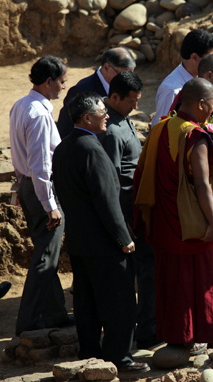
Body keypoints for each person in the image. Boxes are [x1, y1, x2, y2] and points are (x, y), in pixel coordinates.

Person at [52, 92, 148, 373]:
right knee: (119, 301)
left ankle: (90, 352)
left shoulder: (63, 148)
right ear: (86, 118)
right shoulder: (93, 150)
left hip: (80, 241)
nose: (107, 115)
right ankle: (119, 356)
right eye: (102, 112)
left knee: (87, 302)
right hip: (105, 244)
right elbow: (107, 200)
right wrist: (124, 238)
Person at [134, 78, 213, 352]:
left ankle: (178, 335)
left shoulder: (160, 128)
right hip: (192, 224)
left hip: (166, 221)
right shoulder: (194, 136)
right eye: (212, 105)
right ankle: (205, 333)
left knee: (171, 282)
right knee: (201, 281)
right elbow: (201, 184)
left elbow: (143, 173)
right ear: (201, 103)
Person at [96, 71, 157, 350]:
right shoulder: (110, 130)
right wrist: (122, 223)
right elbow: (110, 181)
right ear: (115, 97)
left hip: (137, 210)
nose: (136, 105)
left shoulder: (124, 121)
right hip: (127, 213)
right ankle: (142, 331)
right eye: (132, 100)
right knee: (139, 274)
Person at [10, 56, 71, 336]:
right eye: (60, 82)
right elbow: (40, 165)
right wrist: (50, 205)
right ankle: (29, 320)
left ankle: (56, 313)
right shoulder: (39, 113)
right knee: (45, 257)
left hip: (30, 188)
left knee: (47, 253)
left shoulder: (22, 105)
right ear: (48, 82)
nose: (62, 87)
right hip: (40, 191)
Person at [57, 48, 135, 137]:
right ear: (106, 67)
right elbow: (66, 130)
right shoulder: (81, 91)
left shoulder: (123, 87)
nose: (128, 79)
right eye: (123, 74)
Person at [151, 29, 213, 125]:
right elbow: (160, 127)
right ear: (194, 57)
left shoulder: (200, 79)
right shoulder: (172, 89)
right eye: (210, 58)